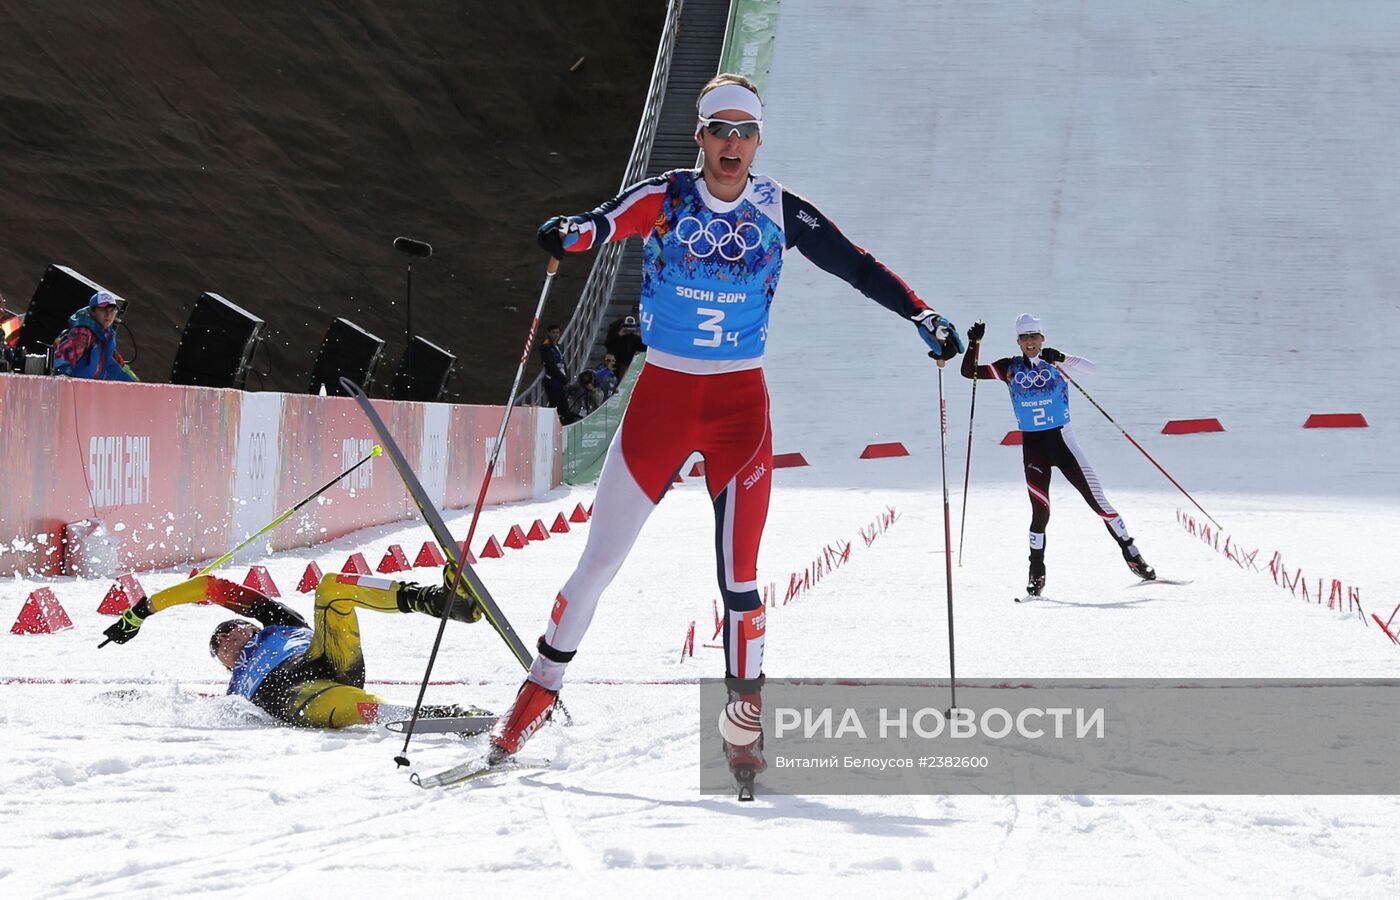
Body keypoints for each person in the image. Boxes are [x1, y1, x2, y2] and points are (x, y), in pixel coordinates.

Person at [491, 73, 964, 780]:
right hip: (663, 403)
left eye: (745, 131)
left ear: (758, 140)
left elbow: (856, 266)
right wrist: (572, 231)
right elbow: (602, 224)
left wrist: (920, 313)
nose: (732, 144)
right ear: (702, 136)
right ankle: (533, 700)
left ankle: (744, 728)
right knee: (596, 566)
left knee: (739, 578)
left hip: (741, 411)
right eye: (721, 130)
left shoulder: (780, 210)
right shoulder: (668, 195)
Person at [101, 569, 488, 729]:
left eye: (229, 630)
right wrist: (131, 697)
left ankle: (442, 601)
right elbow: (190, 710)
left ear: (248, 624)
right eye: (217, 646)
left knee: (333, 585)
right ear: (222, 663)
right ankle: (444, 717)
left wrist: (140, 612)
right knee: (356, 704)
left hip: (324, 655)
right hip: (293, 697)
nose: (225, 640)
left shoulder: (276, 621)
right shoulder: (234, 691)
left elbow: (208, 586)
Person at [961, 313, 1155, 598]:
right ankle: (1036, 574)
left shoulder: (1054, 361)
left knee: (1099, 502)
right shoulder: (1009, 368)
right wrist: (974, 342)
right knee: (1040, 513)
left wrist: (1062, 357)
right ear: (1018, 341)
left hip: (1064, 445)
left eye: (1034, 337)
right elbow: (970, 372)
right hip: (1034, 448)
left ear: (1042, 338)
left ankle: (1132, 553)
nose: (1030, 343)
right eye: (1024, 338)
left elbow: (1091, 368)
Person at [53, 290, 138, 381]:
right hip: (77, 387)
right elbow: (62, 361)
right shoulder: (83, 333)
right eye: (102, 309)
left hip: (92, 387)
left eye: (112, 310)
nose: (108, 314)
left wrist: (135, 384)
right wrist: (65, 383)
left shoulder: (107, 336)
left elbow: (113, 365)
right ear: (93, 311)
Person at [605, 311, 646, 377]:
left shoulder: (639, 334)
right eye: (627, 326)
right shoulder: (616, 330)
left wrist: (641, 337)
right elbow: (608, 346)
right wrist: (619, 335)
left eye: (631, 326)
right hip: (620, 363)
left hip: (635, 364)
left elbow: (645, 349)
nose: (629, 328)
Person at [539, 324, 569, 414]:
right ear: (548, 333)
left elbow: (562, 363)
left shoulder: (557, 347)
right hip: (553, 381)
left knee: (564, 407)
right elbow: (551, 366)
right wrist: (564, 379)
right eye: (553, 332)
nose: (556, 335)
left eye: (557, 332)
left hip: (560, 381)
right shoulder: (546, 347)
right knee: (556, 406)